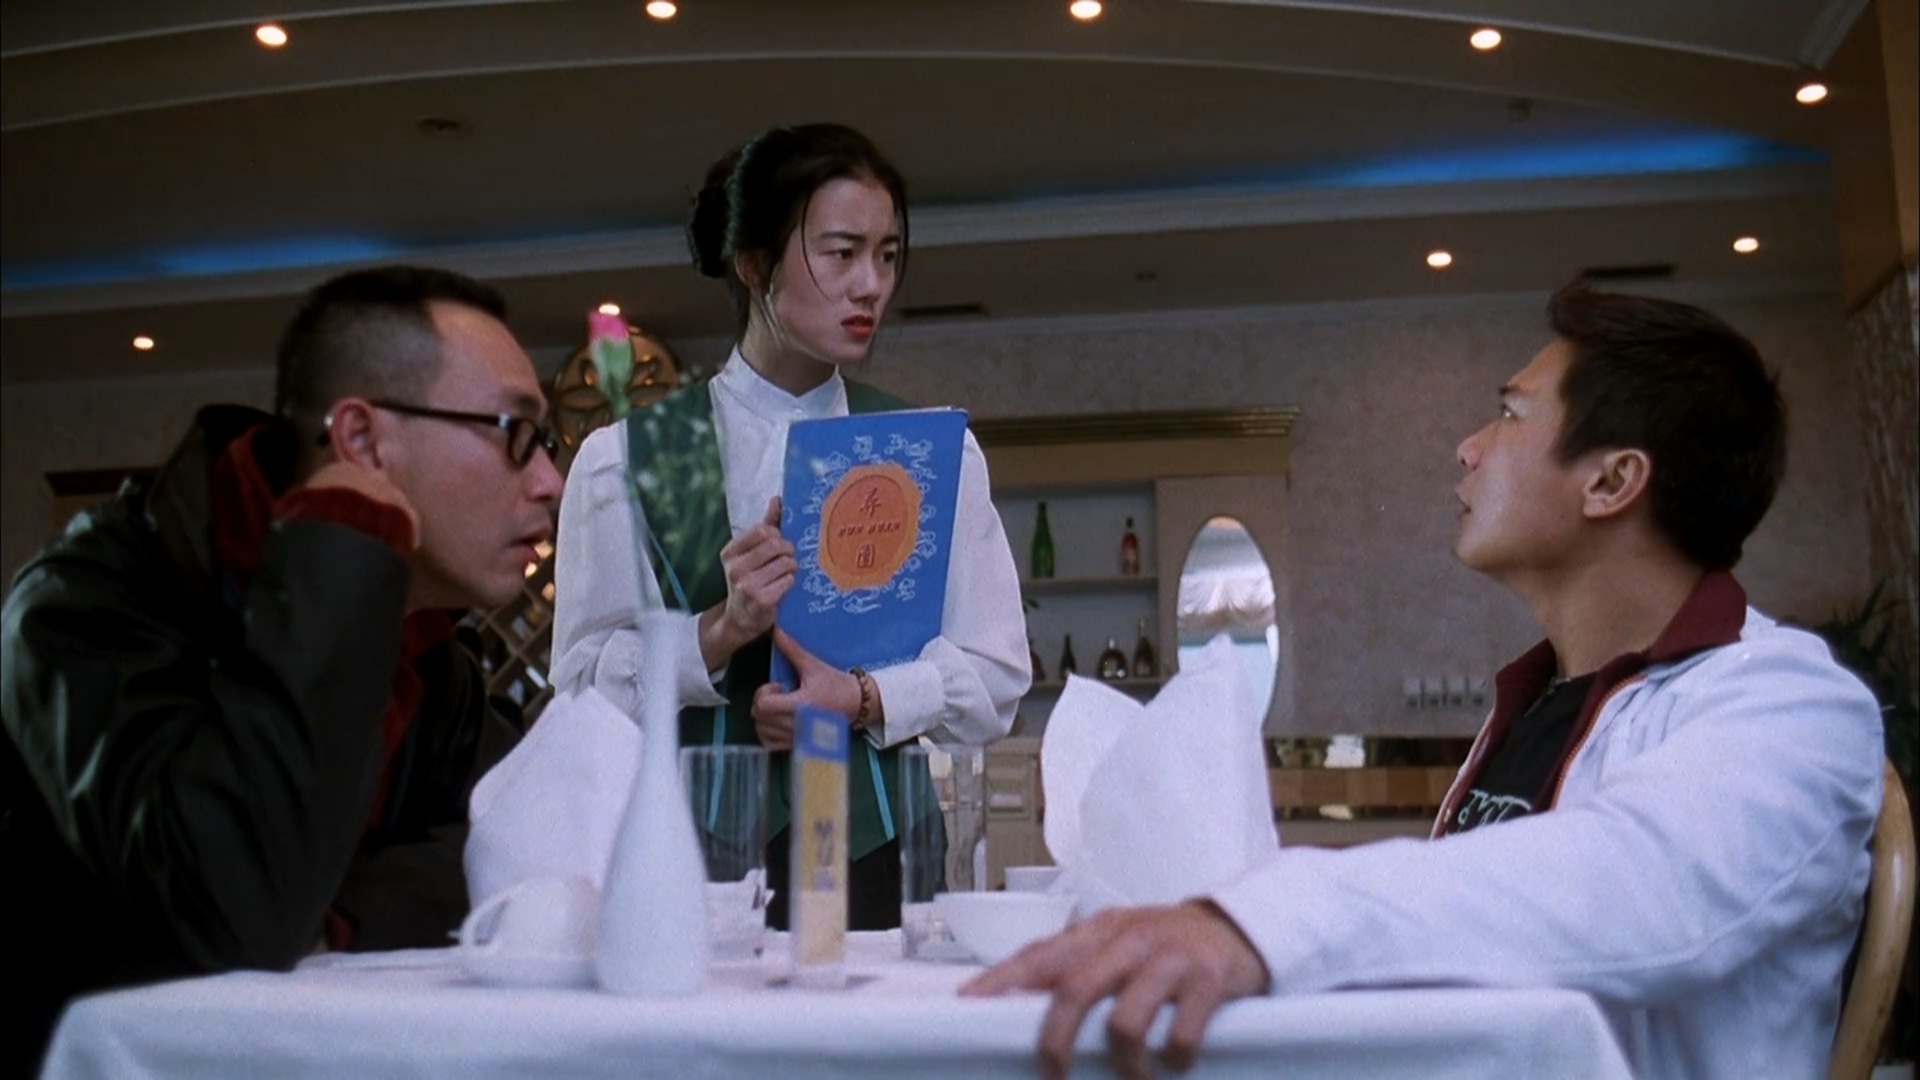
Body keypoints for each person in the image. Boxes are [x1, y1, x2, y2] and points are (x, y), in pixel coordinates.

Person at [964, 285, 1884, 1080]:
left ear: (1611, 481)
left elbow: (1638, 883)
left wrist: (1258, 922)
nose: (1469, 447)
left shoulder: (1789, 705)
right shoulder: (1542, 701)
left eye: (1511, 414)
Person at [1, 265, 561, 1070]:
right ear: (362, 441)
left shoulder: (435, 658)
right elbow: (240, 911)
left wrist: (334, 908)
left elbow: (524, 846)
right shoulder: (85, 608)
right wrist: (343, 543)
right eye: (514, 431)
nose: (549, 481)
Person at [550, 123, 1028, 930]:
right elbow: (577, 697)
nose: (871, 285)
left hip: (879, 847)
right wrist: (719, 630)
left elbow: (996, 675)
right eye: (842, 253)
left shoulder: (930, 452)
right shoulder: (624, 459)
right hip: (687, 850)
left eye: (887, 255)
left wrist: (864, 698)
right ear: (754, 265)